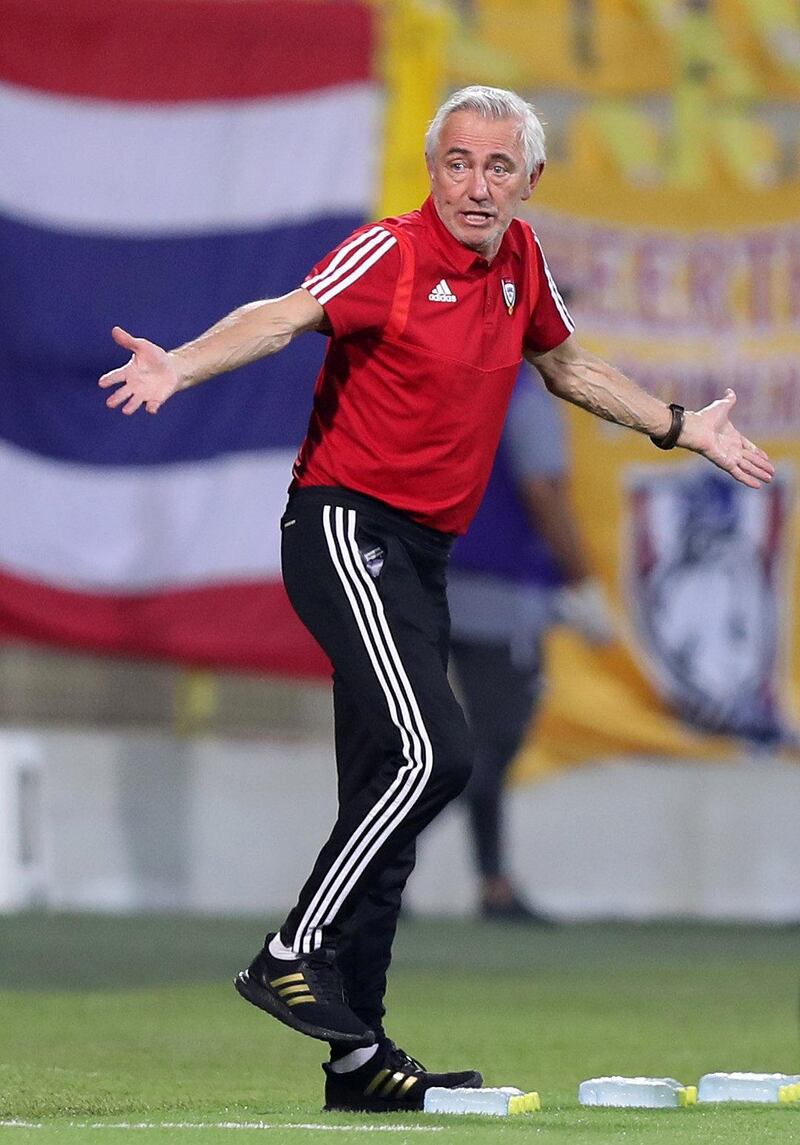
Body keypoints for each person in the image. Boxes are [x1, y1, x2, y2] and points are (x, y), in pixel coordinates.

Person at [98, 85, 774, 1112]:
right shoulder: (391, 252)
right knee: (434, 752)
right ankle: (291, 949)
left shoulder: (523, 264)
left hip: (419, 553)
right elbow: (280, 315)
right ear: (431, 168)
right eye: (457, 162)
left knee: (390, 786)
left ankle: (356, 1057)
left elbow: (571, 367)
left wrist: (681, 425)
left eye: (497, 166)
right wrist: (181, 364)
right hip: (342, 527)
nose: (474, 183)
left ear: (528, 181)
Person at [448, 363, 615, 922]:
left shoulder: (461, 377)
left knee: (458, 745)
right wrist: (581, 580)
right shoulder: (523, 393)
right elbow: (542, 488)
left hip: (439, 575)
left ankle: (484, 880)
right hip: (502, 592)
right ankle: (374, 871)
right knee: (487, 747)